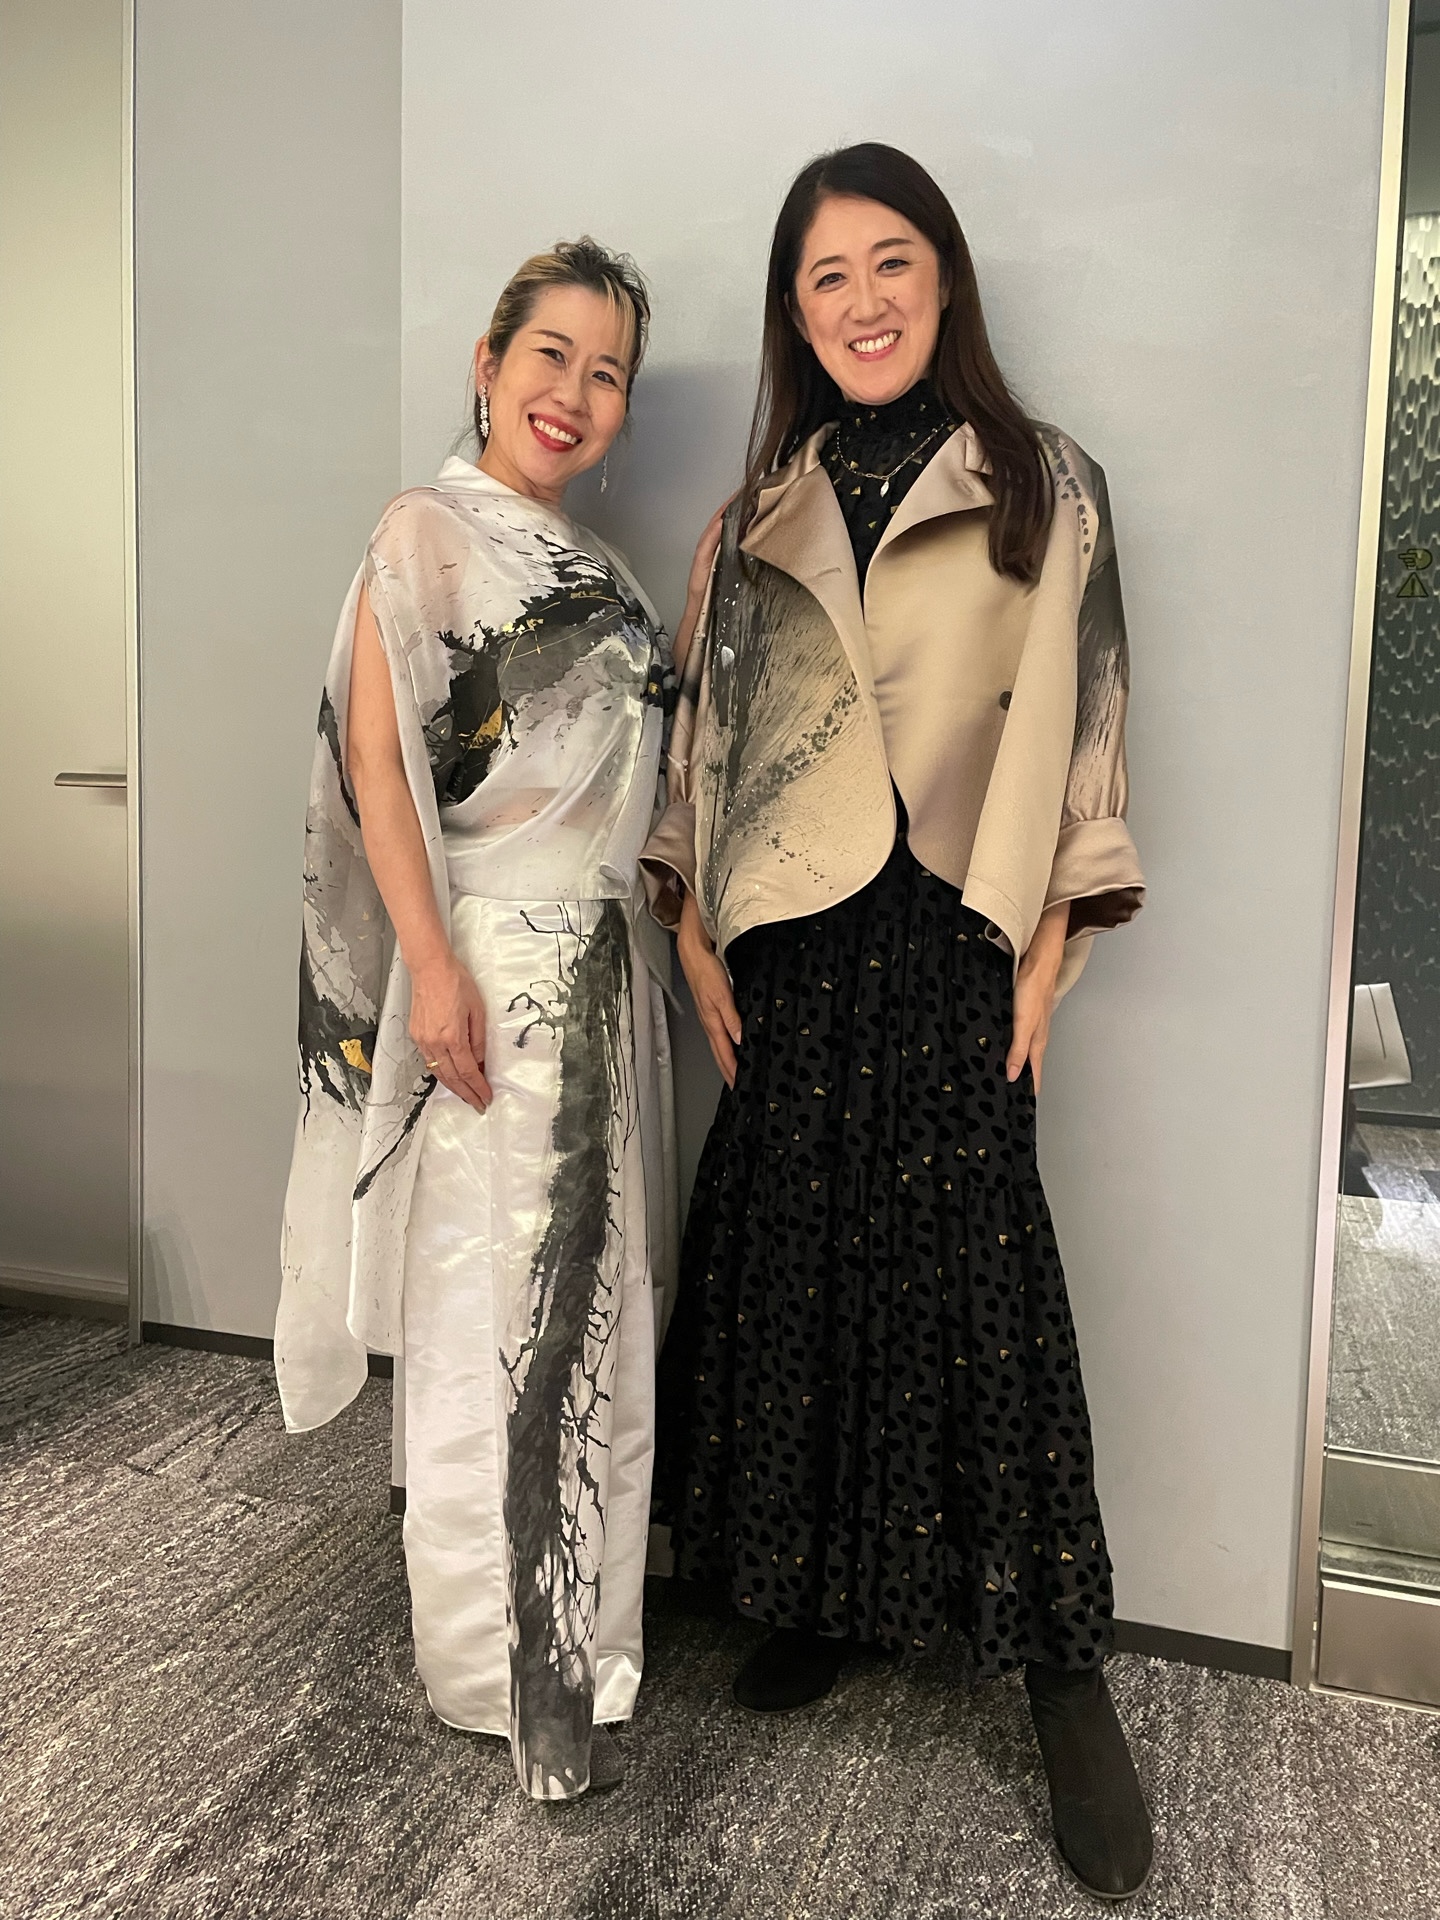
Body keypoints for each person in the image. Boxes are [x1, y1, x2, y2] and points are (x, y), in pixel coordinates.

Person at [645, 146, 1152, 1899]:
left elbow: (1091, 704)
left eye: (890, 262)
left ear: (945, 278)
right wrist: (690, 919)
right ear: (795, 314)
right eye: (825, 276)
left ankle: (1065, 1678)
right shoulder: (757, 506)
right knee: (799, 1264)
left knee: (981, 1285)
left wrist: (1050, 935)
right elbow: (703, 730)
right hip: (791, 930)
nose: (862, 301)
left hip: (951, 920)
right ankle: (825, 1597)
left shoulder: (1042, 480)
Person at [274, 238, 678, 1803]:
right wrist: (432, 968)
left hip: (605, 976)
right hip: (496, 974)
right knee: (492, 1316)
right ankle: (496, 1661)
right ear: (489, 364)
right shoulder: (427, 532)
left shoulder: (609, 577)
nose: (575, 392)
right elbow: (379, 764)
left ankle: (591, 1639)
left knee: (592, 1316)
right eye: (550, 355)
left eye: (608, 371)